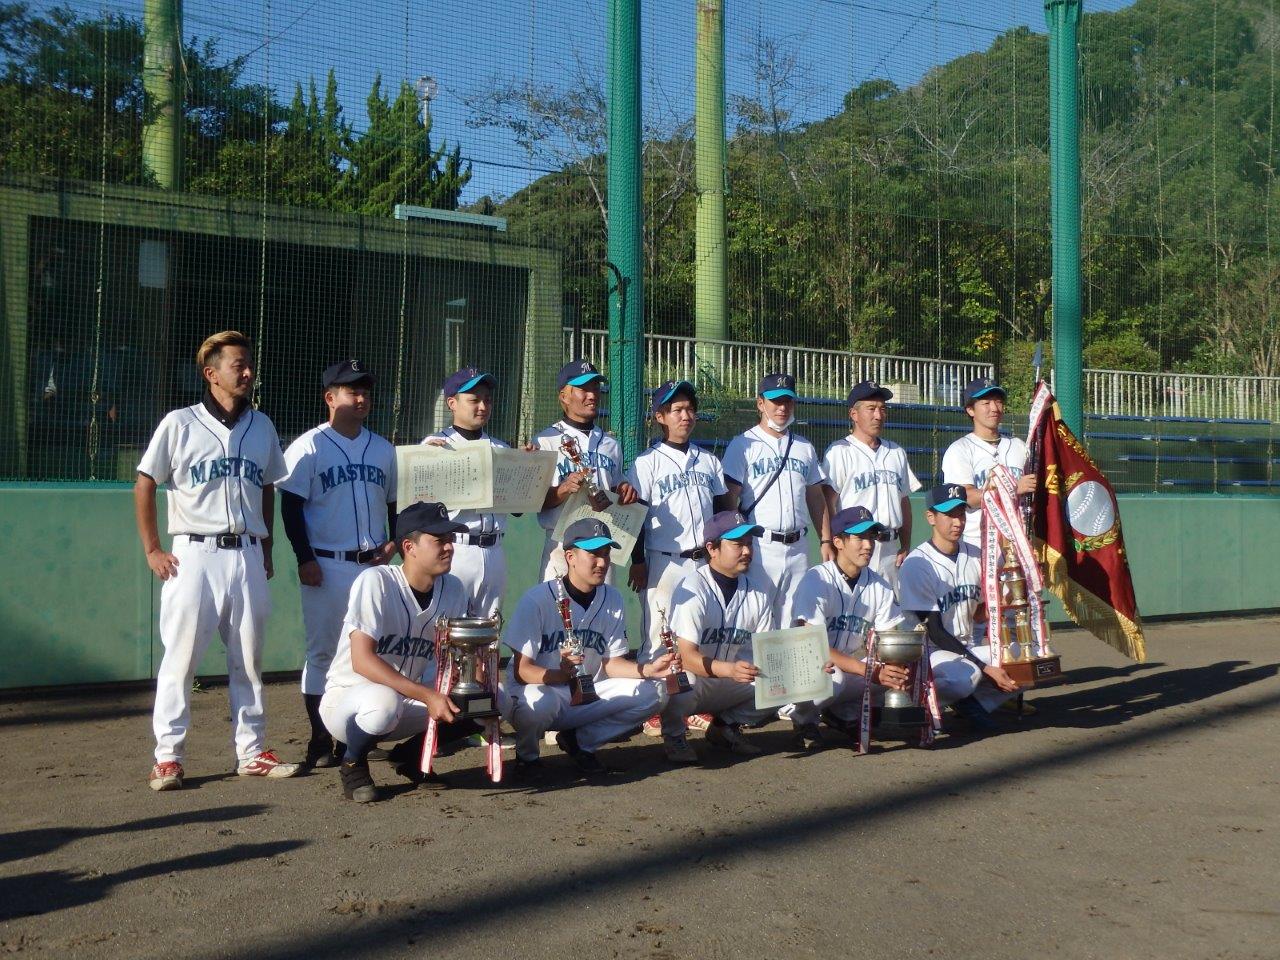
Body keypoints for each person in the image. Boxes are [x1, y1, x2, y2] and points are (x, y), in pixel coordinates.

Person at [135, 330, 298, 791]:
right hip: (193, 553)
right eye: (237, 365)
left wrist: (266, 546)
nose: (247, 372)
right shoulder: (179, 423)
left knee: (248, 658)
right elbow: (146, 481)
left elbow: (268, 485)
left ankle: (252, 752)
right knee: (180, 659)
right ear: (211, 374)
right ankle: (167, 757)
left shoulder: (262, 425)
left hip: (245, 553)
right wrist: (151, 547)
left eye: (249, 364)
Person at [277, 360, 397, 769]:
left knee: (372, 651)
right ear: (330, 398)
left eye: (364, 390)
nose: (361, 398)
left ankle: (358, 732)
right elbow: (290, 507)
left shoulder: (382, 448)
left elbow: (396, 503)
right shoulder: (309, 446)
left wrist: (395, 538)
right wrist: (304, 558)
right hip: (327, 565)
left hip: (372, 567)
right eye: (351, 390)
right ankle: (319, 739)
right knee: (323, 654)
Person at [319, 501, 472, 803]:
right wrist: (427, 695)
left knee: (490, 700)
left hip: (404, 701)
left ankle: (410, 756)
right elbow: (362, 661)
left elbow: (458, 654)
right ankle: (353, 763)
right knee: (383, 701)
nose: (449, 547)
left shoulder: (453, 589)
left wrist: (478, 684)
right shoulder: (376, 581)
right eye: (439, 540)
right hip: (349, 702)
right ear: (409, 546)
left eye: (450, 539)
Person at [504, 518, 673, 776]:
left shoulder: (612, 598)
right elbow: (521, 671)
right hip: (543, 692)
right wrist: (560, 675)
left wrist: (649, 669)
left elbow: (612, 664)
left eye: (606, 554)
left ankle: (581, 742)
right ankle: (527, 757)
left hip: (586, 694)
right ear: (570, 556)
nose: (603, 562)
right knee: (538, 702)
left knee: (655, 692)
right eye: (593, 554)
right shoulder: (537, 599)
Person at [657, 511, 779, 764]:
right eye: (738, 544)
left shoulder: (758, 591)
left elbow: (770, 650)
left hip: (732, 680)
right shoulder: (692, 588)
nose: (746, 550)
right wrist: (729, 670)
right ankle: (675, 735)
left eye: (749, 543)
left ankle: (726, 727)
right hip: (697, 680)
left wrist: (807, 667)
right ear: (712, 549)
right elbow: (686, 656)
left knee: (784, 683)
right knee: (679, 679)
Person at [897, 484, 1020, 732]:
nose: (958, 521)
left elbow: (978, 613)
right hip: (930, 652)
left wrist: (1006, 604)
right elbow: (935, 631)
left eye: (961, 513)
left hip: (966, 646)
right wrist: (986, 668)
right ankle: (919, 705)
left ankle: (973, 705)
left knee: (1026, 658)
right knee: (965, 677)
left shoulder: (975, 555)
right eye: (949, 514)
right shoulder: (917, 565)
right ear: (931, 517)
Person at [786, 506, 910, 749]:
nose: (868, 545)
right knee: (836, 678)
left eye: (871, 537)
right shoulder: (817, 580)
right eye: (859, 537)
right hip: (809, 666)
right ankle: (803, 719)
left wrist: (896, 668)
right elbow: (814, 646)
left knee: (890, 672)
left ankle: (844, 714)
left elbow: (889, 638)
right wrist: (870, 671)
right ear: (838, 542)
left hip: (850, 667)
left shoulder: (880, 586)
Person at [625, 380, 729, 659]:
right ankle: (655, 699)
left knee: (702, 633)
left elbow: (723, 514)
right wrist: (637, 561)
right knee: (659, 639)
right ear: (660, 417)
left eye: (690, 409)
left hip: (706, 561)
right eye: (677, 410)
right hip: (664, 562)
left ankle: (700, 697)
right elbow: (637, 515)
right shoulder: (647, 463)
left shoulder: (710, 461)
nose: (686, 416)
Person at [722, 372, 829, 606]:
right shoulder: (742, 445)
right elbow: (730, 500)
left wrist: (826, 540)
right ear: (761, 403)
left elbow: (816, 498)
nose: (782, 407)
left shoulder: (804, 447)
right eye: (776, 401)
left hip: (799, 547)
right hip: (761, 545)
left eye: (787, 401)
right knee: (758, 619)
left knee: (796, 622)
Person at [533, 360, 637, 581]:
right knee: (558, 614)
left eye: (595, 388)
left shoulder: (611, 444)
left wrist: (625, 490)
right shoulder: (546, 441)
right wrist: (562, 490)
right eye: (584, 388)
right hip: (561, 546)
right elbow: (535, 502)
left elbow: (617, 489)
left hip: (602, 545)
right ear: (564, 396)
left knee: (603, 613)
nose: (592, 395)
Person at [422, 367, 512, 617]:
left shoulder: (501, 448)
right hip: (455, 549)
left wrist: (526, 466)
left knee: (490, 636)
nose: (482, 406)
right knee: (449, 631)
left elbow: (516, 509)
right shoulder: (434, 446)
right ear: (452, 403)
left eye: (487, 400)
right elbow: (418, 507)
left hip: (494, 550)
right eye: (474, 400)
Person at [821, 380, 921, 589]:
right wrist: (829, 542)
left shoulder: (896, 452)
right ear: (854, 414)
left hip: (890, 548)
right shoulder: (839, 451)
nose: (878, 415)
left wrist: (906, 544)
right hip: (854, 546)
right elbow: (828, 503)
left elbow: (904, 502)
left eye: (882, 409)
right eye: (871, 408)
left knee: (890, 615)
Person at [941, 377, 1037, 548]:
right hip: (978, 544)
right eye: (986, 403)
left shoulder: (1019, 446)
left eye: (998, 402)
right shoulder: (960, 449)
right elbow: (965, 497)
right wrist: (1013, 489)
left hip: (1020, 543)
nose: (994, 408)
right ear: (970, 410)